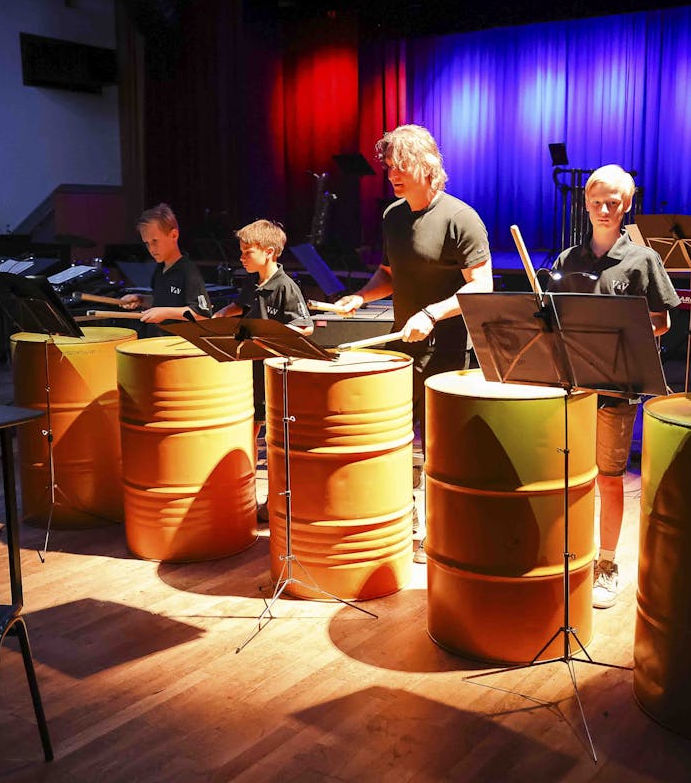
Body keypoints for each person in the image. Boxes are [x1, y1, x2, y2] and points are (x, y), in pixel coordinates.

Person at [333, 124, 493, 563]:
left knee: (441, 449)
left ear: (428, 166)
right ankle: (409, 522)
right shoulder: (393, 216)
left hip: (450, 352)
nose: (393, 176)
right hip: (405, 349)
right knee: (400, 440)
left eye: (401, 167)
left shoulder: (461, 218)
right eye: (389, 168)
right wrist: (360, 297)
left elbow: (482, 286)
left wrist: (431, 313)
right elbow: (388, 275)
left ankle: (443, 532)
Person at [549, 164, 681, 609]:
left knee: (608, 478)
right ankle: (571, 553)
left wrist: (624, 330)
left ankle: (606, 562)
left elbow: (662, 321)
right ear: (585, 204)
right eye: (596, 202)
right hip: (573, 387)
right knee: (569, 477)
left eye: (612, 203)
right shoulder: (568, 260)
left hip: (617, 387)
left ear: (626, 205)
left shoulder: (643, 260)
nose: (604, 210)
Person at [211, 219, 313, 522]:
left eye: (247, 251)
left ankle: (274, 502)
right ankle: (245, 497)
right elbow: (239, 307)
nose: (241, 257)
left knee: (275, 441)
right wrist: (220, 316)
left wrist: (268, 335)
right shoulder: (252, 282)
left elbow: (305, 326)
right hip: (251, 373)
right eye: (241, 251)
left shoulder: (285, 286)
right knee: (248, 432)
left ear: (269, 252)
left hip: (276, 375)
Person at [120, 203, 212, 337]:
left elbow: (202, 314)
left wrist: (165, 313)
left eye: (155, 241)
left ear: (174, 235)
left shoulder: (187, 271)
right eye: (147, 243)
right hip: (157, 339)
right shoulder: (160, 269)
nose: (151, 249)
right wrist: (141, 299)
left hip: (176, 343)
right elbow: (163, 301)